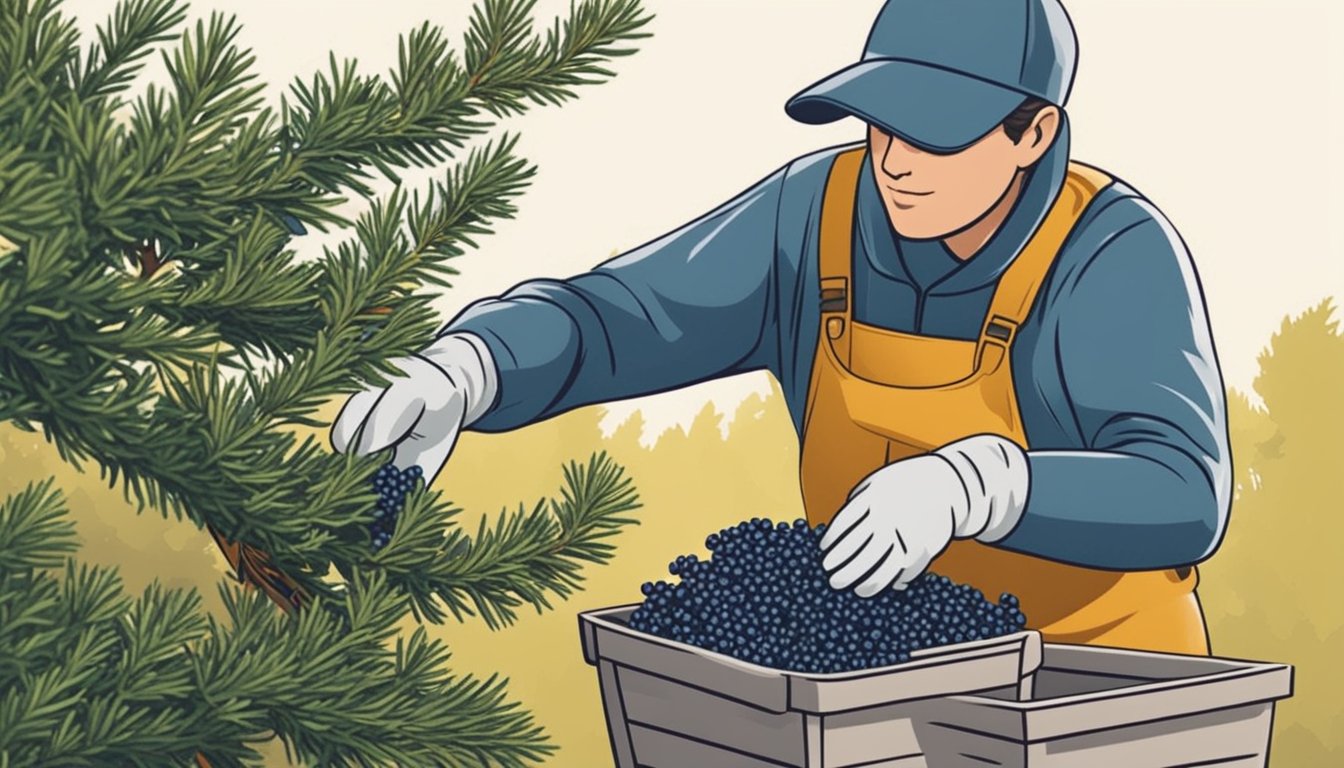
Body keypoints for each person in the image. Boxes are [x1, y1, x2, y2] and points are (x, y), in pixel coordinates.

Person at [331, 0, 1230, 655]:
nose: (896, 163)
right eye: (882, 124)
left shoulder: (1113, 254)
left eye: (937, 134)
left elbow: (1184, 490)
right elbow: (624, 317)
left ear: (1033, 132)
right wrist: (475, 364)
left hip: (1097, 681)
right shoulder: (816, 214)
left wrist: (980, 488)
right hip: (880, 674)